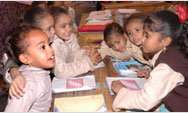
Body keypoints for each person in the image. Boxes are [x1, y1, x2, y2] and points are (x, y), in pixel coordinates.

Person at [111, 10, 188, 112]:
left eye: (147, 35)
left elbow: (146, 100)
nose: (142, 39)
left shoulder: (167, 65)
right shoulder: (174, 49)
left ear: (165, 41)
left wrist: (122, 91)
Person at [3, 7, 55, 99]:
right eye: (49, 29)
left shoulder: (51, 40)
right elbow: (11, 64)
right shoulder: (27, 50)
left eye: (53, 27)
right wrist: (16, 75)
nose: (54, 31)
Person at [5, 25, 55, 112]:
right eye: (43, 47)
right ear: (26, 59)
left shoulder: (40, 69)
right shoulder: (28, 87)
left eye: (49, 44)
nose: (51, 49)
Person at [49, 6, 102, 78]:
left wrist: (87, 53)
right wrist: (88, 62)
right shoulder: (52, 45)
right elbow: (61, 72)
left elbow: (73, 56)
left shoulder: (71, 37)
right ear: (52, 28)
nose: (69, 29)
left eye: (69, 24)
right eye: (63, 26)